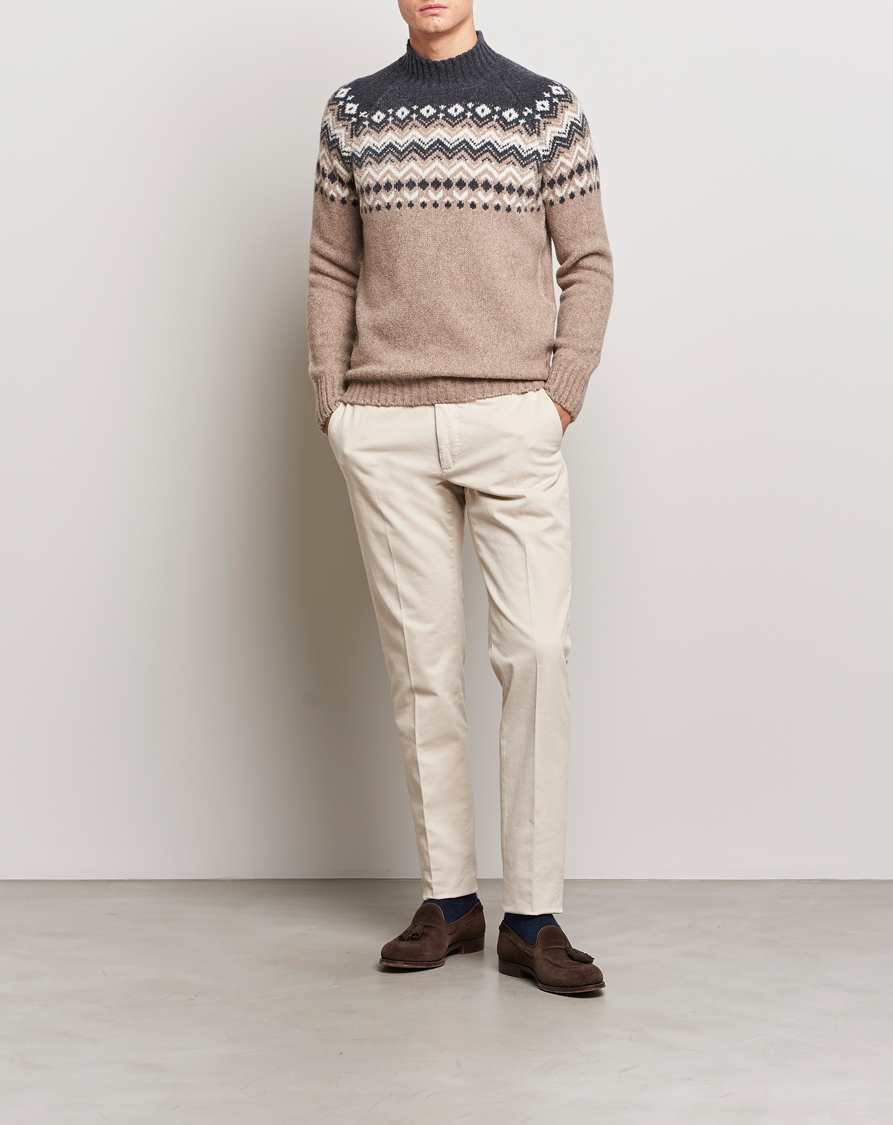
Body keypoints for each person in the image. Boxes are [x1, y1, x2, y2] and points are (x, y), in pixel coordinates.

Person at [307, 0, 612, 995]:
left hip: (512, 417)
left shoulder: (544, 108)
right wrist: (334, 403)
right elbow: (331, 267)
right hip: (386, 427)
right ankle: (450, 901)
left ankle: (534, 914)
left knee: (536, 653)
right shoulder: (353, 112)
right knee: (423, 672)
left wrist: (559, 395)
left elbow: (589, 263)